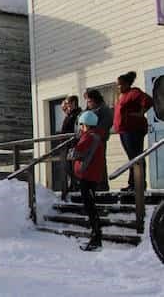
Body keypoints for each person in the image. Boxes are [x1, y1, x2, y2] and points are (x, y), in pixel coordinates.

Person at [69, 111, 105, 251]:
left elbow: (75, 154)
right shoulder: (97, 137)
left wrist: (73, 146)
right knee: (91, 207)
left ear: (85, 125)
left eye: (81, 125)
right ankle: (95, 237)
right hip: (93, 175)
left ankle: (96, 238)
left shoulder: (88, 137)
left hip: (87, 176)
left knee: (90, 208)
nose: (80, 127)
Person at [114, 71, 154, 192]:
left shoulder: (133, 92)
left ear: (126, 84)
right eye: (117, 84)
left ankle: (140, 184)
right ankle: (132, 184)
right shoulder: (123, 95)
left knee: (136, 157)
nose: (118, 87)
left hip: (133, 130)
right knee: (132, 158)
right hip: (124, 131)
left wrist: (141, 112)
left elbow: (148, 100)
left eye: (120, 84)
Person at [83, 89, 114, 191]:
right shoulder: (89, 110)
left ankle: (102, 184)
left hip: (99, 140)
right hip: (89, 139)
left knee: (99, 162)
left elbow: (106, 123)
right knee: (90, 162)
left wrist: (95, 132)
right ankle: (93, 184)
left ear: (94, 99)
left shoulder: (104, 109)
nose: (88, 103)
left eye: (89, 101)